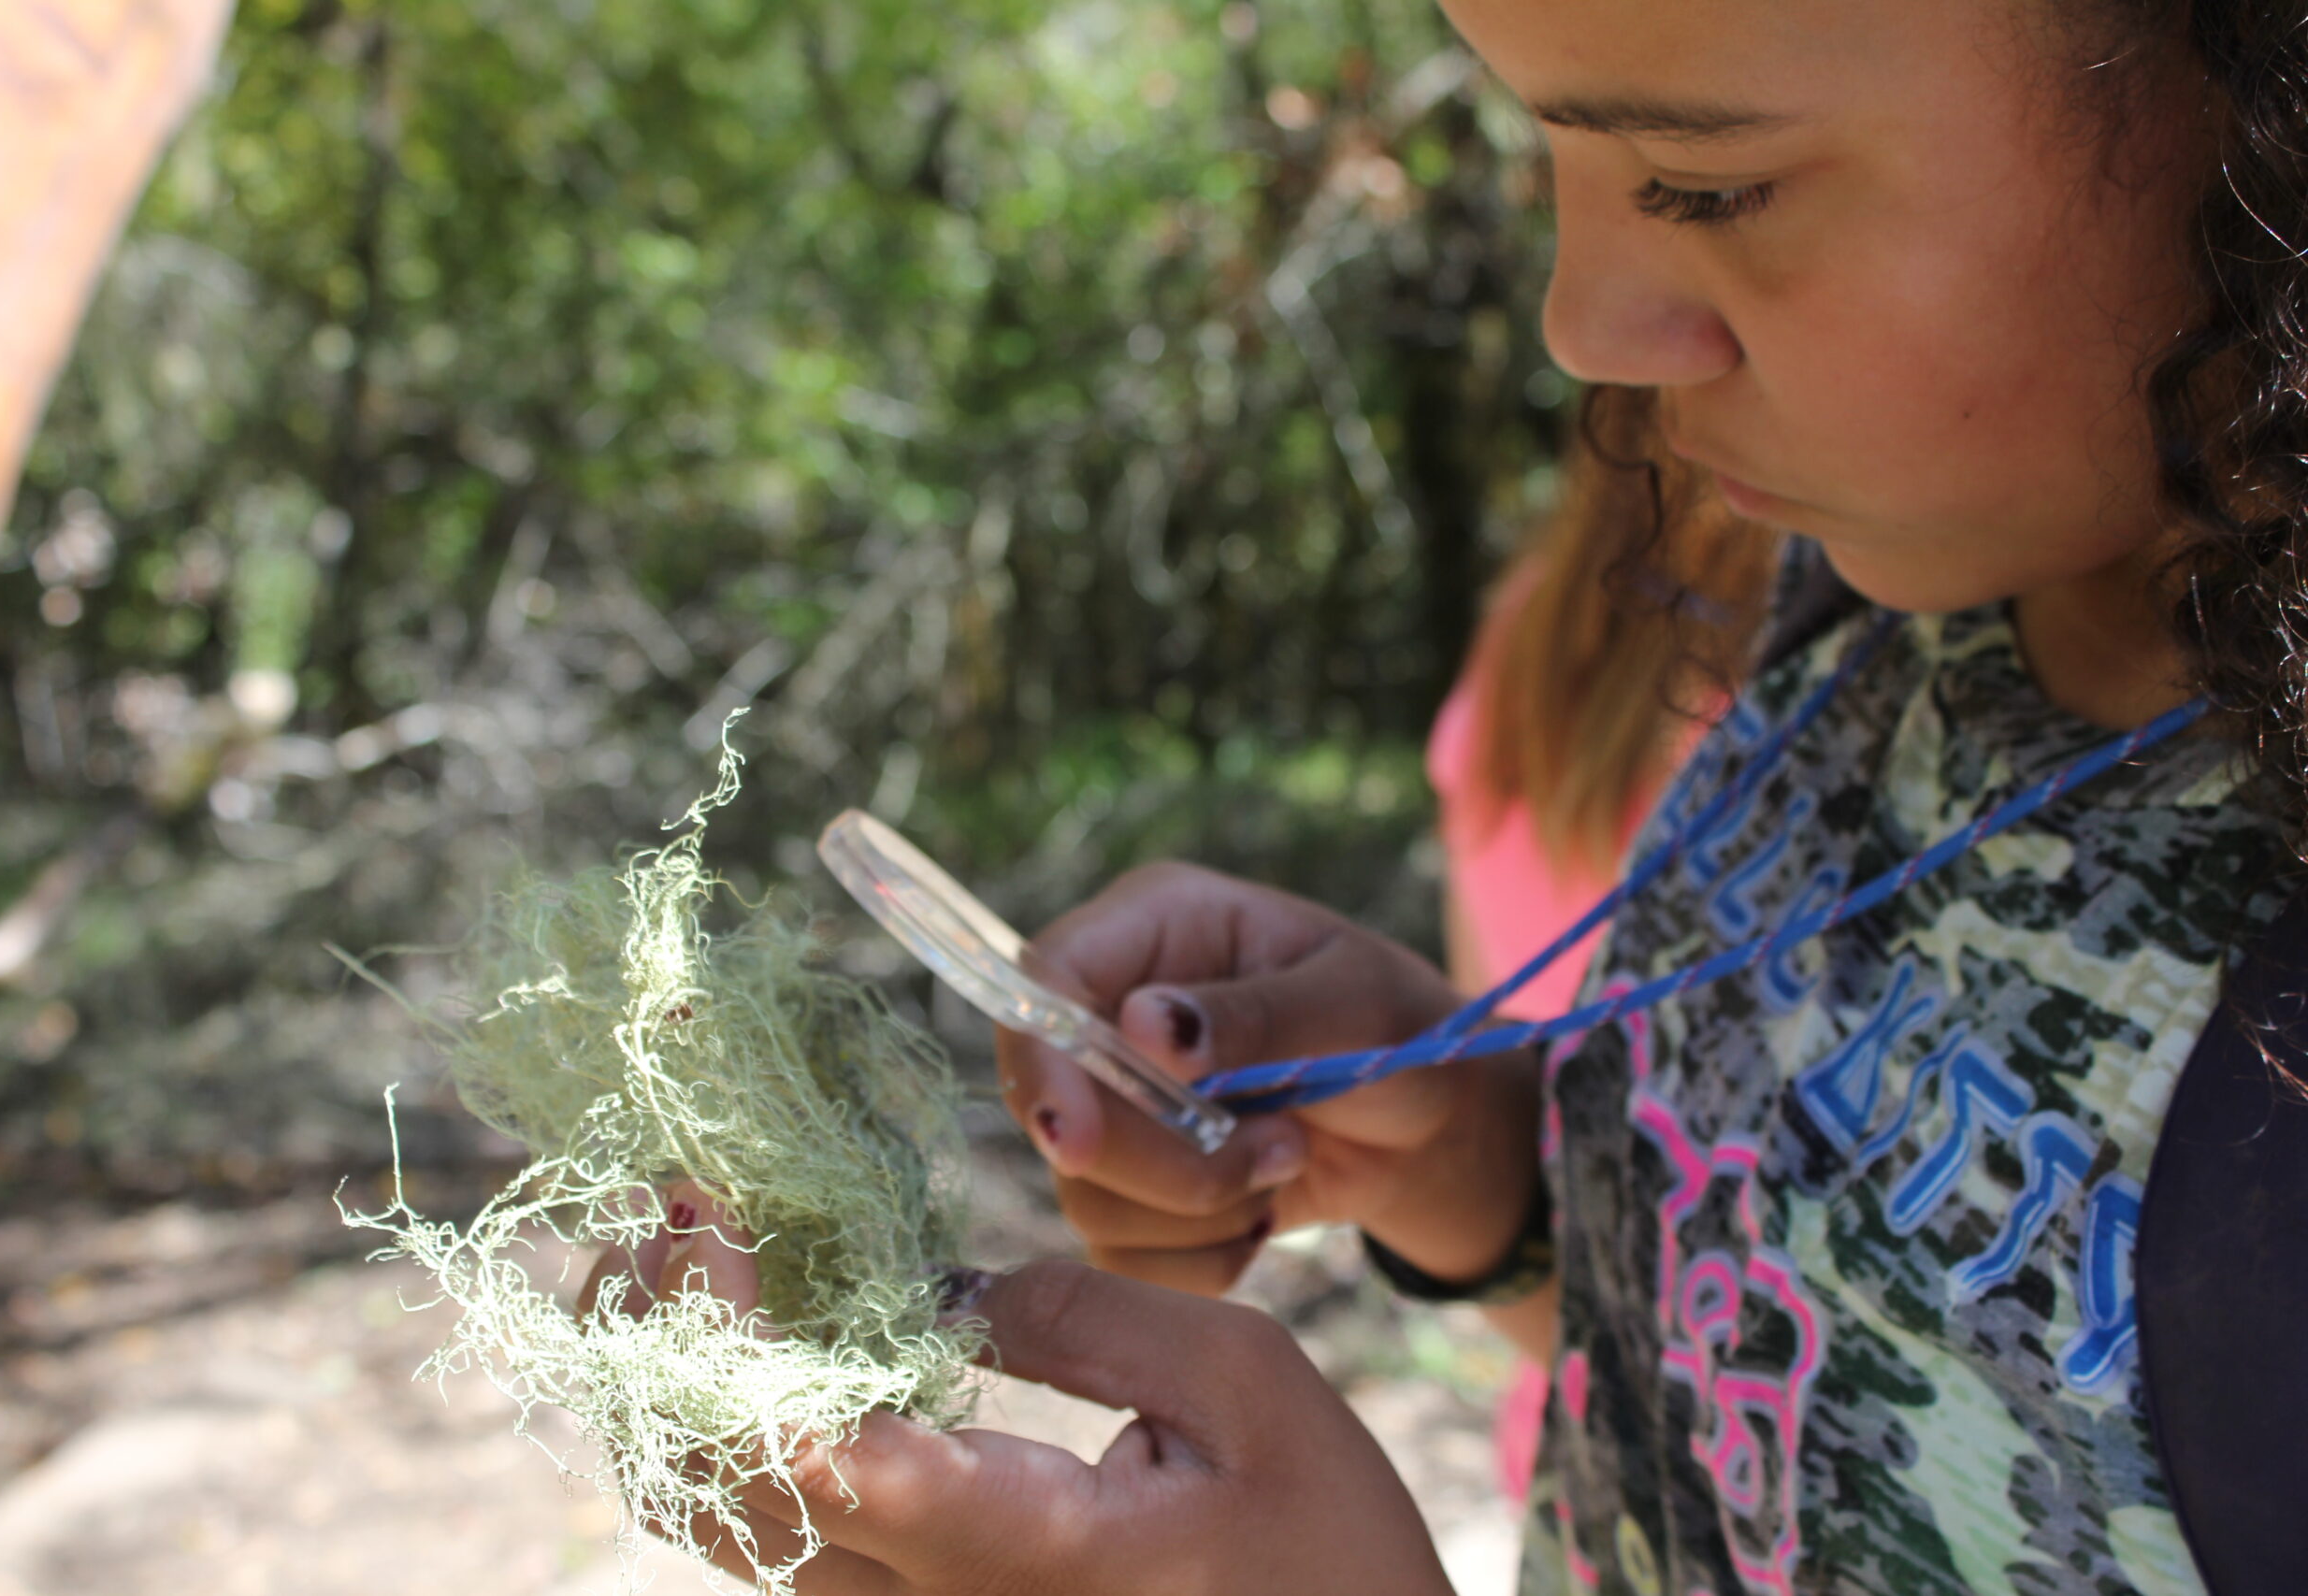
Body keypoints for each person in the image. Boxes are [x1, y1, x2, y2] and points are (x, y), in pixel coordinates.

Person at [620, 0, 2308, 1590]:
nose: (1582, 320)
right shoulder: (1892, 601)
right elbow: (1836, 1393)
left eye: (1706, 183)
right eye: (1546, 157)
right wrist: (1479, 1169)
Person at [1430, 448, 1772, 1511]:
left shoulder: (1529, 626)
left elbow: (1483, 1033)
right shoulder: (1802, 693)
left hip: (1574, 1437)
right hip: (1760, 1480)